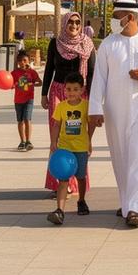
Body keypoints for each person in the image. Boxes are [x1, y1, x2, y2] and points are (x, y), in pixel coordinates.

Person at [90, 0, 138, 227]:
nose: (114, 21)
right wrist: (95, 109)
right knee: (121, 156)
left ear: (131, 17)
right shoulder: (107, 44)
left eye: (118, 16)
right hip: (115, 110)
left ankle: (134, 208)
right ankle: (127, 201)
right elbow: (99, 79)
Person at [41, 12, 96, 193]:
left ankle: (75, 180)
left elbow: (92, 73)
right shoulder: (55, 43)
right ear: (64, 23)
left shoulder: (87, 44)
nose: (73, 25)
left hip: (80, 95)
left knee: (75, 137)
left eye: (77, 22)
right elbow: (49, 68)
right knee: (56, 137)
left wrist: (93, 100)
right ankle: (59, 182)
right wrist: (44, 94)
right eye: (70, 22)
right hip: (58, 91)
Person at [47, 73, 94, 224]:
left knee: (81, 176)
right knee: (63, 178)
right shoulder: (61, 106)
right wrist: (53, 142)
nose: (71, 92)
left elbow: (91, 123)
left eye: (75, 89)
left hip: (80, 148)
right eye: (68, 89)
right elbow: (56, 125)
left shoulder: (86, 105)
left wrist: (89, 141)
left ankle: (81, 200)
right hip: (65, 149)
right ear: (64, 90)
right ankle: (59, 210)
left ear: (82, 90)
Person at [11, 51, 43, 151]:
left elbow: (40, 82)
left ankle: (28, 141)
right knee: (20, 121)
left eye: (25, 60)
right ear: (17, 62)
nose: (22, 62)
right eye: (20, 61)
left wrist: (32, 84)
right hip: (18, 100)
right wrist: (14, 84)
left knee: (27, 119)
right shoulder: (14, 73)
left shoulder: (32, 72)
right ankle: (22, 141)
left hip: (29, 99)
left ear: (29, 61)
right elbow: (10, 85)